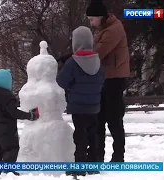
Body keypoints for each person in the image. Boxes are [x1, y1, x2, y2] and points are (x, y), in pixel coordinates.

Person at [56, 26, 105, 177]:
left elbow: (62, 81)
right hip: (94, 106)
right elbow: (102, 78)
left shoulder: (72, 62)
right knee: (93, 135)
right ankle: (94, 164)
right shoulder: (97, 61)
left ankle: (80, 166)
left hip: (78, 107)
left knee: (80, 136)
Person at [86, 0, 130, 162]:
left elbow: (97, 53)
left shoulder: (113, 29)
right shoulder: (104, 29)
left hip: (114, 80)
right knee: (99, 119)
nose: (91, 23)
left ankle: (118, 157)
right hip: (104, 79)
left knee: (113, 120)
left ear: (100, 16)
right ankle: (98, 156)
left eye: (92, 19)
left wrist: (75, 58)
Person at [0, 69, 40, 176]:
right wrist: (30, 116)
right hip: (7, 131)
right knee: (11, 149)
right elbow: (14, 112)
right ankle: (8, 170)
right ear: (7, 82)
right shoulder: (7, 96)